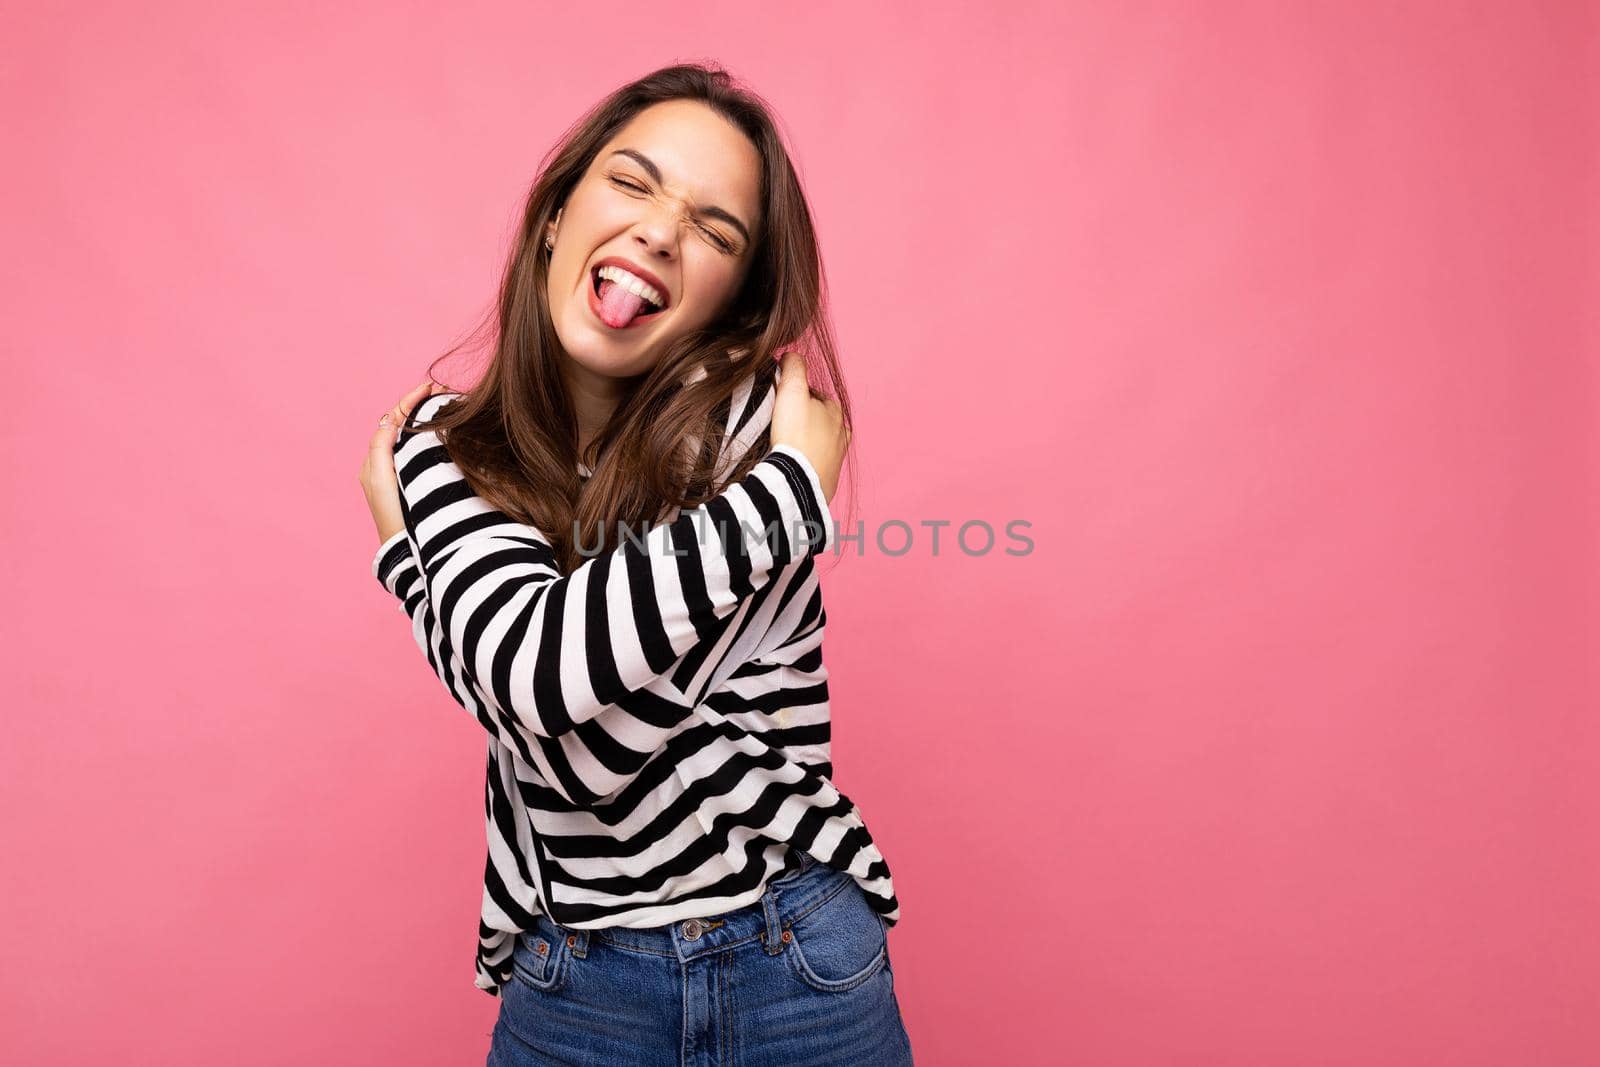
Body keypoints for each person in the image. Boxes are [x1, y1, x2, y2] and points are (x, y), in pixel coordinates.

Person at [357, 63, 914, 1064]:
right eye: (634, 182)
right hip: (575, 985)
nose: (661, 230)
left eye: (714, 228)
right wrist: (787, 500)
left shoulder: (758, 429)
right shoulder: (445, 440)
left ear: (731, 300)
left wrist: (412, 559)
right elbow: (536, 688)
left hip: (800, 965)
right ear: (556, 215)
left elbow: (586, 755)